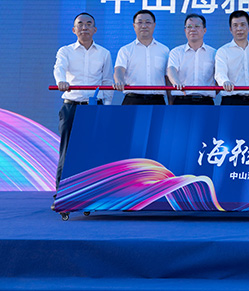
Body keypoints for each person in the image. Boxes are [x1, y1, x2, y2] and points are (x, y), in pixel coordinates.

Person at [53, 12, 113, 191]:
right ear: (74, 29)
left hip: (95, 108)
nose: (84, 27)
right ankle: (61, 196)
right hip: (71, 107)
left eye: (88, 24)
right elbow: (59, 68)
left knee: (94, 152)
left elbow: (107, 82)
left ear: (95, 29)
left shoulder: (104, 53)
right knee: (67, 152)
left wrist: (106, 108)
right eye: (80, 24)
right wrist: (61, 81)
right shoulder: (65, 51)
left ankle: (92, 194)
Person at [114, 10, 169, 105]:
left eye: (148, 22)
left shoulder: (164, 50)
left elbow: (168, 77)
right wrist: (119, 80)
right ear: (134, 26)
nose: (144, 26)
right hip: (133, 100)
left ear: (154, 25)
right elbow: (119, 69)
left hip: (157, 101)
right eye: (139, 22)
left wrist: (171, 101)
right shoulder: (125, 50)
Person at [215, 10, 249, 105]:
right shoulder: (223, 51)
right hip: (231, 101)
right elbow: (220, 73)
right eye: (235, 25)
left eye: (243, 25)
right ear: (230, 29)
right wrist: (225, 82)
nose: (239, 29)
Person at [166, 13, 216, 105]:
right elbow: (171, 69)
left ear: (204, 30)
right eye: (189, 27)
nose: (193, 29)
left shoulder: (213, 53)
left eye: (197, 26)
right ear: (185, 30)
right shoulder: (176, 52)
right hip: (182, 101)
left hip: (205, 102)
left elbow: (219, 75)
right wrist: (176, 83)